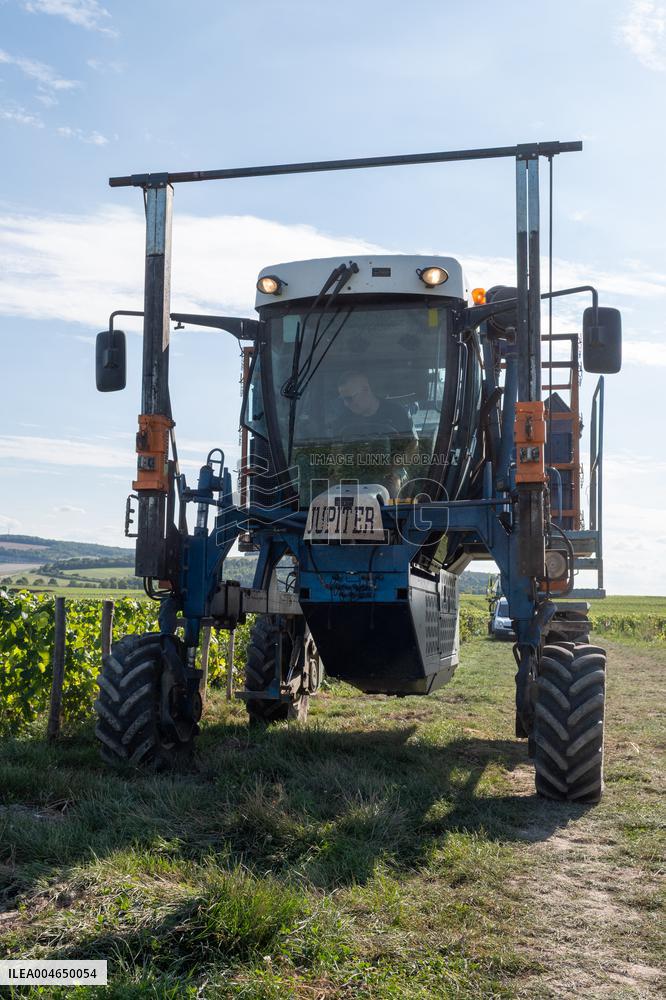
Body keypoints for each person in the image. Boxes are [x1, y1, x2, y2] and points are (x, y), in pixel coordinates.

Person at [331, 371, 418, 495]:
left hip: (391, 469)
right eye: (343, 399)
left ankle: (393, 513)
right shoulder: (341, 421)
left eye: (349, 398)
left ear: (366, 389)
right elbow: (335, 454)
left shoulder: (397, 413)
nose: (346, 404)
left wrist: (394, 466)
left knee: (393, 485)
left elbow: (412, 446)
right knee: (331, 487)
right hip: (353, 470)